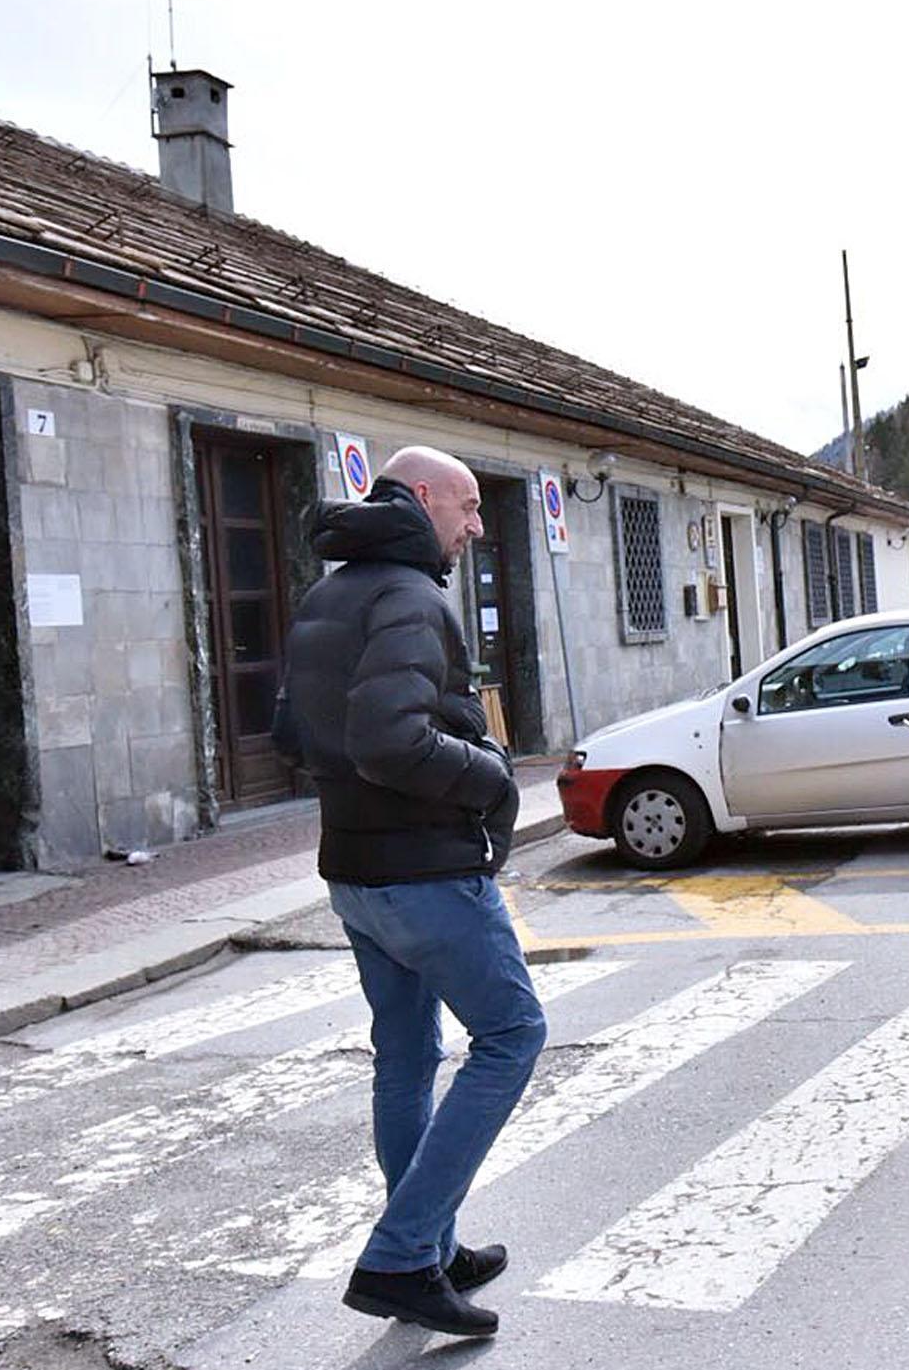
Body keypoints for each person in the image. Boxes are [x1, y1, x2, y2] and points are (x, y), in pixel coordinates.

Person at [273, 445, 544, 1339]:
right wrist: (491, 772)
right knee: (512, 1035)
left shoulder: (329, 591)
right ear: (422, 497)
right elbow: (391, 739)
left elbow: (289, 729)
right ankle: (399, 1255)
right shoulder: (411, 596)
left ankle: (425, 1245)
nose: (475, 525)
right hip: (425, 873)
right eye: (468, 508)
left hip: (354, 874)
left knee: (406, 1058)